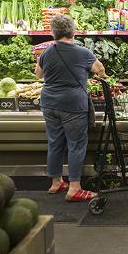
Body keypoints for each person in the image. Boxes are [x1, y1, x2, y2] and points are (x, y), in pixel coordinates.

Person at [35, 15, 108, 202]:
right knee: (76, 145)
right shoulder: (82, 52)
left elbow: (38, 75)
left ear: (53, 33)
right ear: (73, 31)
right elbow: (100, 70)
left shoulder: (47, 52)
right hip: (72, 105)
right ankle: (74, 188)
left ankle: (56, 182)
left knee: (55, 142)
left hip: (49, 103)